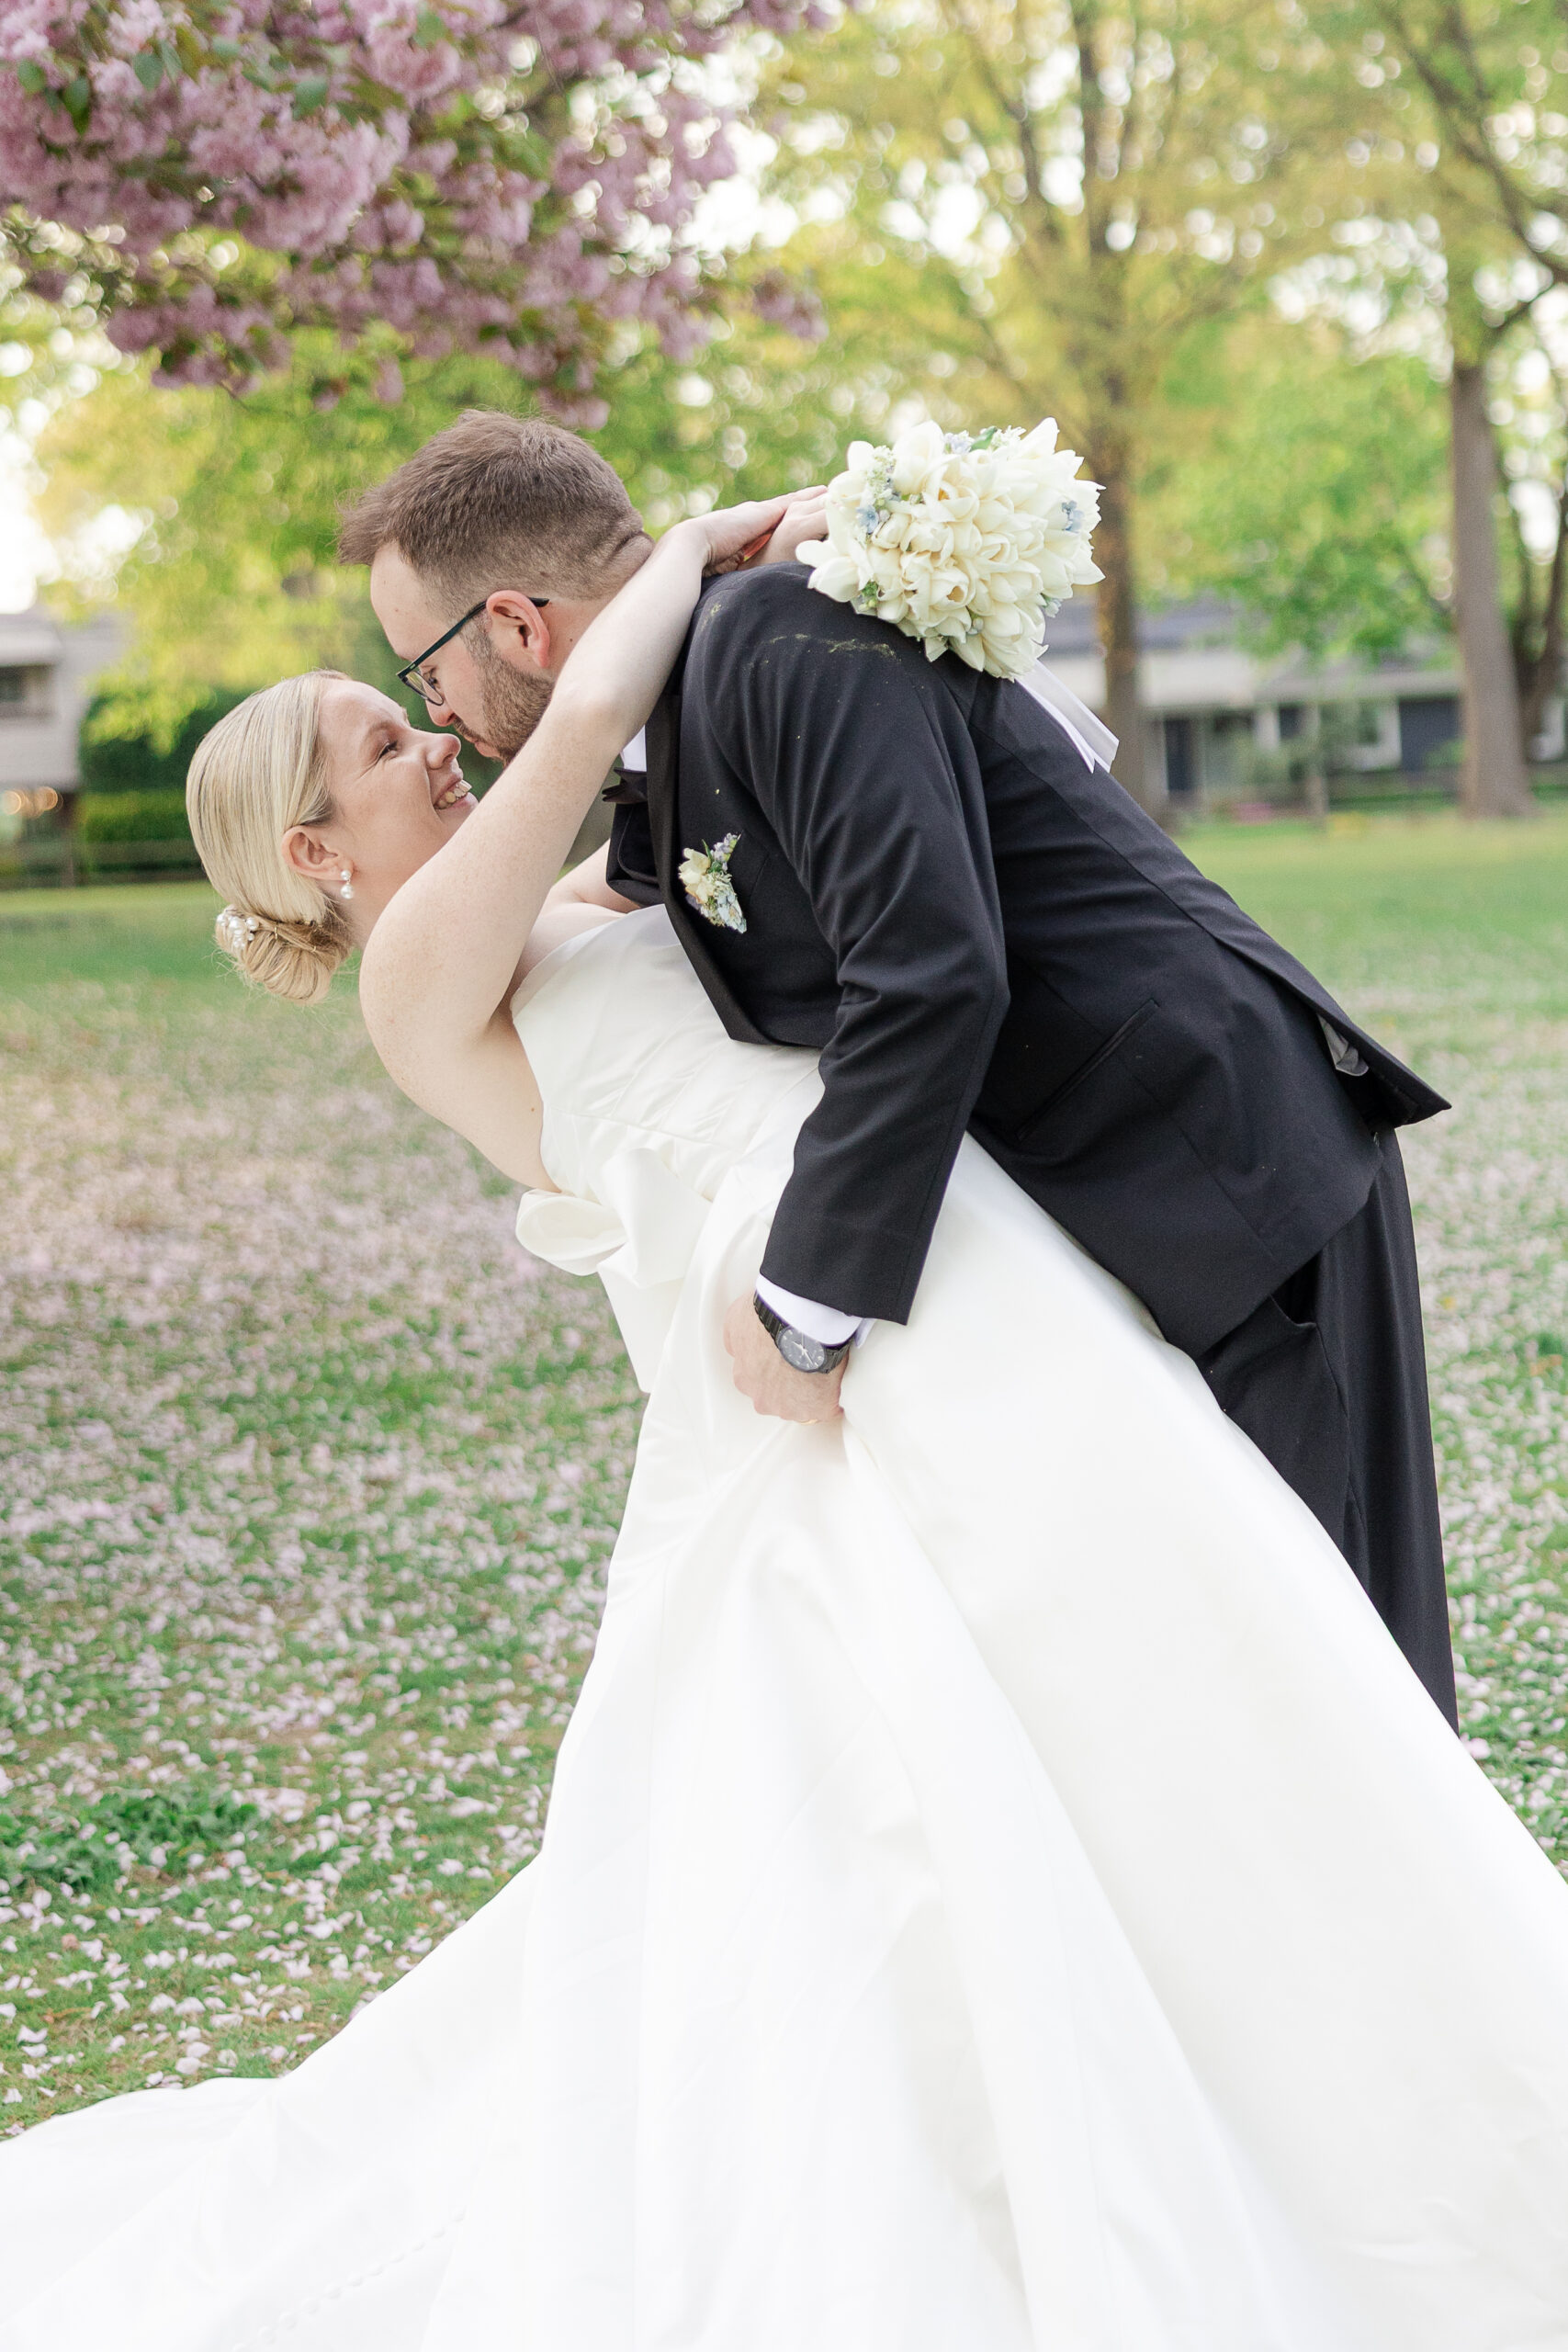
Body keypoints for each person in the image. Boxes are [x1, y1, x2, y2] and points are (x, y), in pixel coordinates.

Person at [4, 493, 1568, 2352]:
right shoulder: (419, 979)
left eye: (409, 695)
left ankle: (1309, 2059)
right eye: (375, 736)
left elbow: (750, 857)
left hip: (934, 1253)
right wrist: (678, 559)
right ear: (311, 849)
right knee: (938, 1750)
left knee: (1174, 1646)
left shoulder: (568, 892)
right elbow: (588, 721)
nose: (425, 734)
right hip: (818, 1322)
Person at [341, 412, 1458, 1724]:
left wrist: (805, 1308)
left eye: (426, 672)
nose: (440, 714)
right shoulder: (685, 715)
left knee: (1345, 1676)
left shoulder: (771, 641)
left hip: (1228, 1169)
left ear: (516, 626)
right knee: (1223, 1668)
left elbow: (930, 971)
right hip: (1109, 1202)